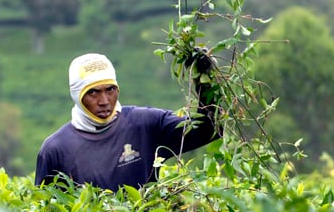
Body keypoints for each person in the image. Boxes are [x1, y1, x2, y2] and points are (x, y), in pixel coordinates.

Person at [34, 52, 221, 191]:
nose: (104, 101)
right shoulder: (55, 150)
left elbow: (210, 130)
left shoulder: (144, 124)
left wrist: (204, 81)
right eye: (92, 92)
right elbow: (45, 211)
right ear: (77, 95)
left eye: (110, 90)